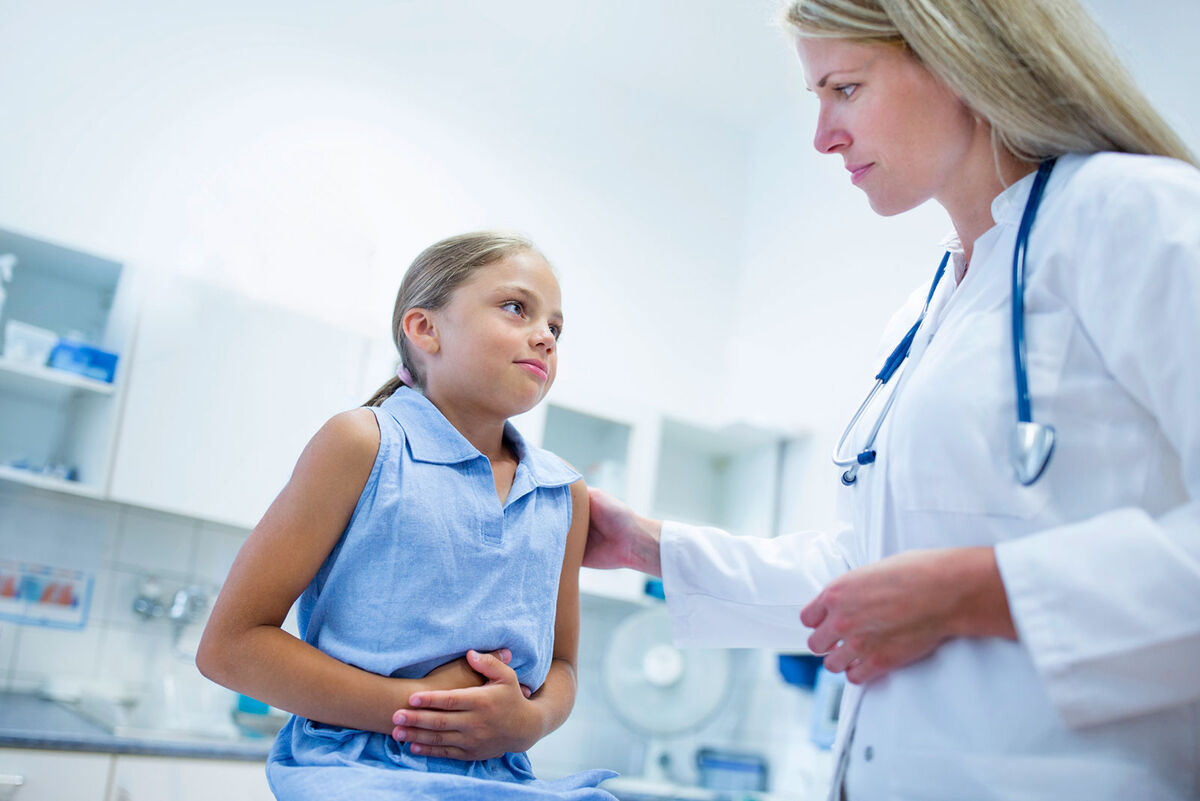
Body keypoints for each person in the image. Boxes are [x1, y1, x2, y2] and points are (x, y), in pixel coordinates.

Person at [584, 1, 1200, 799]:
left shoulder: (1135, 214)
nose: (822, 137)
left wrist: (981, 592)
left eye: (844, 88)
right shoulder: (927, 311)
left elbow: (929, 586)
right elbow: (869, 572)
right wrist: (648, 547)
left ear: (960, 57)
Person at [197, 231, 616, 799]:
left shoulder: (563, 493)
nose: (544, 336)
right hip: (356, 776)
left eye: (556, 328)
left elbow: (562, 665)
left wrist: (528, 723)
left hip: (502, 781)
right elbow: (230, 647)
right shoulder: (361, 443)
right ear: (425, 329)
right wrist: (420, 711)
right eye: (516, 308)